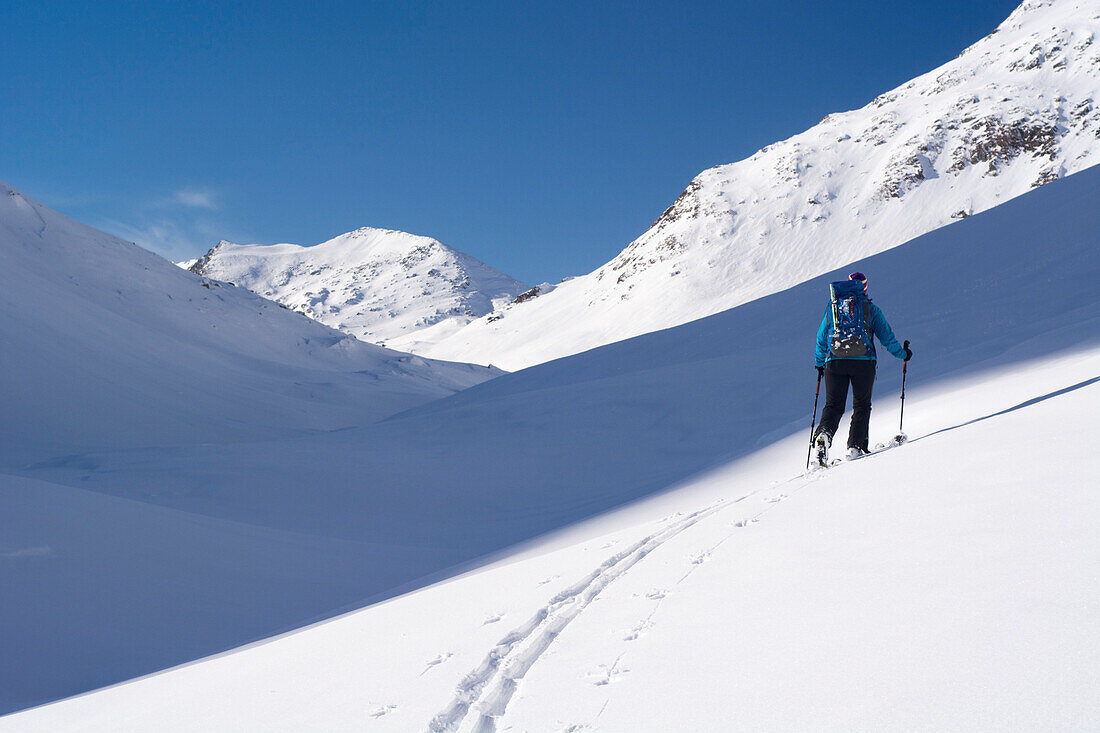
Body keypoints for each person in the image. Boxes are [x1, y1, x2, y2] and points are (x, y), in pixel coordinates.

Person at [813, 272, 911, 464]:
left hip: (834, 362)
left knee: (833, 406)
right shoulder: (871, 309)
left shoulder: (833, 309)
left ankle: (823, 436)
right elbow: (887, 338)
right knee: (861, 405)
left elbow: (821, 338)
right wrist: (903, 354)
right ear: (864, 288)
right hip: (863, 363)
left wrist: (819, 363)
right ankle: (855, 447)